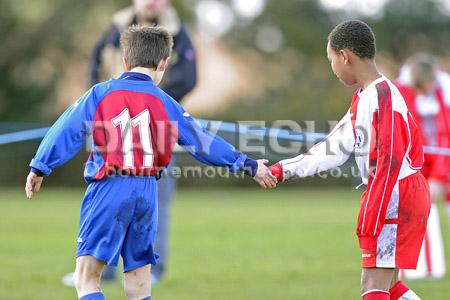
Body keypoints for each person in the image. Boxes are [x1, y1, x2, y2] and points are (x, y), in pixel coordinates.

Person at [25, 25, 277, 300]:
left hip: (109, 188)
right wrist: (248, 165)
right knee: (138, 284)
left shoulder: (100, 93)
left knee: (86, 279)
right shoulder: (167, 103)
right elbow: (203, 142)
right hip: (146, 193)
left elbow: (66, 129)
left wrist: (40, 165)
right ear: (164, 63)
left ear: (124, 61)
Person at [269, 20, 430, 300]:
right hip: (396, 194)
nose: (332, 68)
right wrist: (281, 170)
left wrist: (373, 213)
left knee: (372, 286)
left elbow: (388, 164)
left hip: (394, 195)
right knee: (389, 287)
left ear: (344, 56)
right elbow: (332, 148)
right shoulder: (365, 97)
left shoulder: (382, 97)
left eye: (331, 59)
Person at [62, 0, 197, 286]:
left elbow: (188, 79)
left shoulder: (178, 32)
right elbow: (95, 64)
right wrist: (105, 102)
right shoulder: (116, 27)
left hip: (157, 133)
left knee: (155, 199)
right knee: (104, 194)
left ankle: (152, 269)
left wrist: (146, 100)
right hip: (112, 129)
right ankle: (102, 266)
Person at [396, 54, 450, 279]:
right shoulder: (401, 91)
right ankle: (422, 268)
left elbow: (446, 136)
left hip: (443, 159)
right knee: (418, 211)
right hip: (417, 162)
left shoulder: (445, 89)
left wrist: (441, 176)